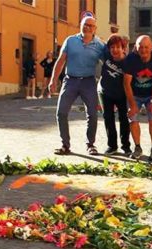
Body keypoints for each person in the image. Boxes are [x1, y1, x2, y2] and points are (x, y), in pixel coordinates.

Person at [49, 16, 106, 156]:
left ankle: (90, 144)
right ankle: (65, 145)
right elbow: (61, 61)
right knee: (61, 112)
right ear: (80, 25)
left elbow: (109, 64)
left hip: (89, 82)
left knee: (92, 114)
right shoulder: (70, 41)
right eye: (85, 24)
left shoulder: (100, 45)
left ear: (95, 29)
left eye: (91, 26)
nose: (87, 27)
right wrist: (53, 79)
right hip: (70, 81)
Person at [123, 35, 152, 161]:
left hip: (151, 93)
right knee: (133, 118)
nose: (143, 50)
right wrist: (132, 104)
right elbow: (126, 83)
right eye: (140, 47)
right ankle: (137, 147)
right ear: (136, 47)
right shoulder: (130, 59)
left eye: (146, 47)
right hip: (134, 93)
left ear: (151, 47)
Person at [99, 34, 131, 156]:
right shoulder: (107, 55)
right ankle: (112, 146)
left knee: (124, 119)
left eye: (118, 47)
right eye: (112, 47)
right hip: (106, 92)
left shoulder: (128, 62)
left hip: (122, 94)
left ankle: (126, 146)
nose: (115, 50)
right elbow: (98, 40)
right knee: (108, 118)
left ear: (123, 48)